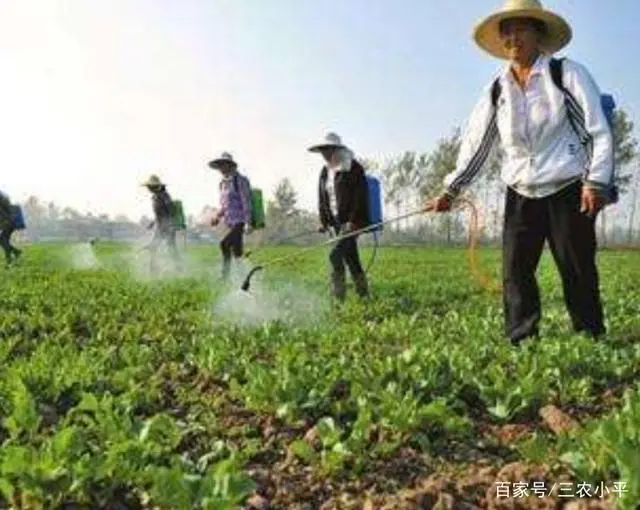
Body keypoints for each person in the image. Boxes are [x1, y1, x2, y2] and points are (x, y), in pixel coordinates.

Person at [428, 0, 613, 345]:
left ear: (538, 33)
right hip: (520, 192)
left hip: (568, 188)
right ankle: (522, 339)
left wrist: (596, 180)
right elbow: (477, 144)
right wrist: (450, 190)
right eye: (506, 31)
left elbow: (596, 131)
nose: (513, 37)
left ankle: (590, 336)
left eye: (521, 28)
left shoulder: (566, 74)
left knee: (577, 269)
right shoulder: (496, 89)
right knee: (515, 272)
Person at [309, 132, 370, 301]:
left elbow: (360, 196)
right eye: (323, 151)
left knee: (335, 255)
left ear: (337, 149)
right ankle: (363, 294)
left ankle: (338, 297)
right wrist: (324, 221)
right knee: (351, 258)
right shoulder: (325, 172)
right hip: (336, 222)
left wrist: (354, 221)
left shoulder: (353, 167)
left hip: (352, 222)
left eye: (328, 150)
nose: (325, 154)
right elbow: (323, 197)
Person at [207, 152, 252, 280]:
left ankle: (224, 277)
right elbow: (224, 206)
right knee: (237, 253)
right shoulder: (222, 184)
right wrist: (217, 216)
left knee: (224, 244)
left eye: (223, 164)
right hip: (230, 222)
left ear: (230, 165)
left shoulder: (241, 180)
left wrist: (248, 222)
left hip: (241, 221)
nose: (221, 168)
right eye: (219, 165)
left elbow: (246, 201)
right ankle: (244, 278)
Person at [141, 174, 181, 273]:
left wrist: (171, 225)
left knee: (171, 248)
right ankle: (153, 268)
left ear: (154, 186)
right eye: (148, 186)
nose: (148, 188)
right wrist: (153, 222)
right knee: (153, 247)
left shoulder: (164, 195)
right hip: (160, 226)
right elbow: (159, 213)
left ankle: (178, 268)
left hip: (167, 226)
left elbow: (171, 210)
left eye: (150, 186)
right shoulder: (155, 197)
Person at [0, 191, 22, 266]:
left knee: (3, 241)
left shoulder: (2, 201)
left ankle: (12, 256)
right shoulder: (4, 199)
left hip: (7, 223)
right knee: (4, 240)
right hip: (9, 223)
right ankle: (14, 254)